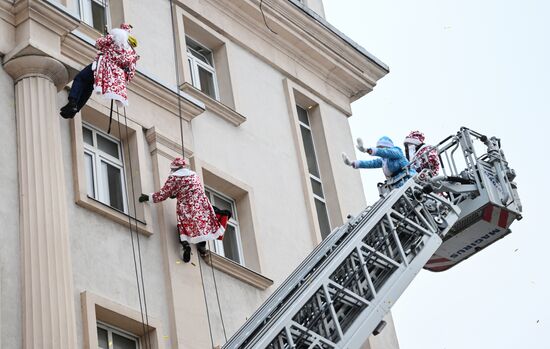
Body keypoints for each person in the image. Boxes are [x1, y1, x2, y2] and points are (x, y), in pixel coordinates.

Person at [138, 158, 224, 263]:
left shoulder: (173, 178)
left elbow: (164, 194)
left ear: (174, 168)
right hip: (201, 205)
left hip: (186, 207)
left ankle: (185, 245)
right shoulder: (193, 175)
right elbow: (195, 189)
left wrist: (149, 198)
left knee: (183, 226)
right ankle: (202, 248)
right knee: (201, 226)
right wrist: (177, 193)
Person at [60, 23, 139, 119]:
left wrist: (106, 37)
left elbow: (98, 43)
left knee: (80, 78)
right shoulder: (132, 54)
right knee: (89, 86)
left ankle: (72, 102)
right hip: (112, 76)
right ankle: (75, 108)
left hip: (102, 67)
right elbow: (130, 74)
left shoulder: (114, 37)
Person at [342, 136, 412, 188]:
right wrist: (352, 163)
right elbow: (370, 163)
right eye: (379, 148)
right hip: (397, 184)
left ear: (387, 146)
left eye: (381, 147)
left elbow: (386, 152)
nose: (380, 150)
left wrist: (367, 150)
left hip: (408, 179)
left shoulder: (397, 151)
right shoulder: (384, 160)